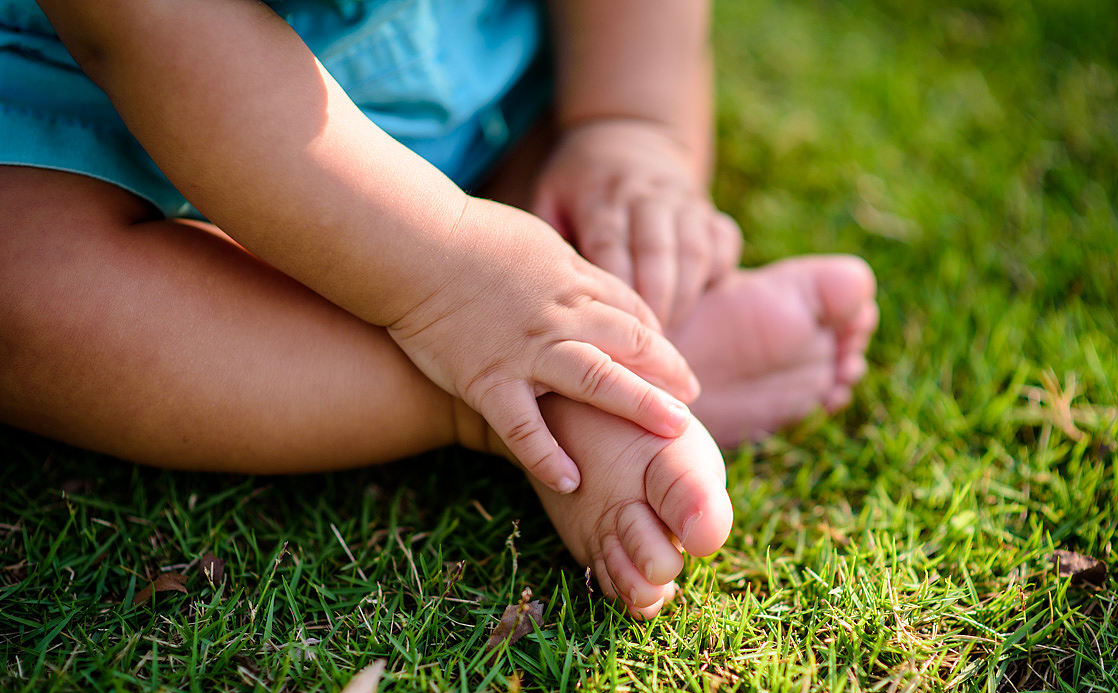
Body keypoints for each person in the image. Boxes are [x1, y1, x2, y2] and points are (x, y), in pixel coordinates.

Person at [0, 0, 878, 618]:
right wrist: (453, 278)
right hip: (95, 110)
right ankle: (505, 392)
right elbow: (146, 27)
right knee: (25, 280)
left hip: (463, 78)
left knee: (590, 166)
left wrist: (629, 125)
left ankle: (588, 325)